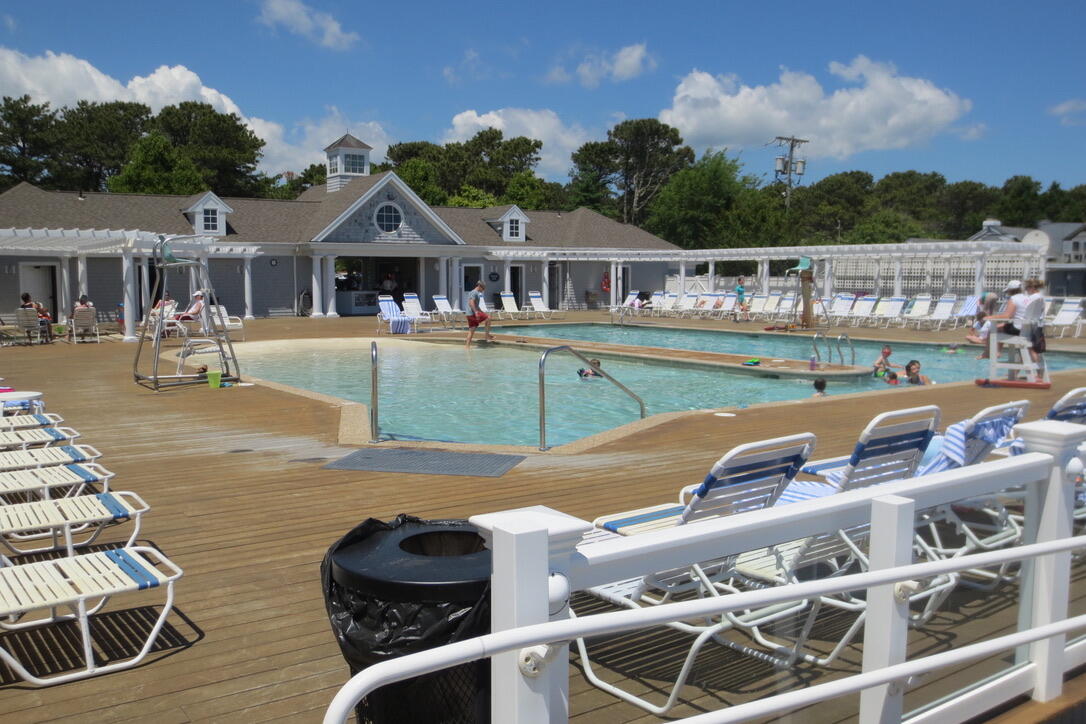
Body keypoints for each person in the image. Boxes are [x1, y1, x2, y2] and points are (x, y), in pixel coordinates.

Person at [465, 280, 493, 347]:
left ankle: (467, 347)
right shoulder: (475, 293)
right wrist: (476, 312)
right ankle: (487, 335)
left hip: (469, 314)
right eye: (483, 288)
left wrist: (481, 312)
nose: (483, 290)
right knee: (488, 318)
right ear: (479, 286)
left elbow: (476, 305)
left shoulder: (473, 292)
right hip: (472, 314)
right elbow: (471, 303)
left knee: (471, 331)